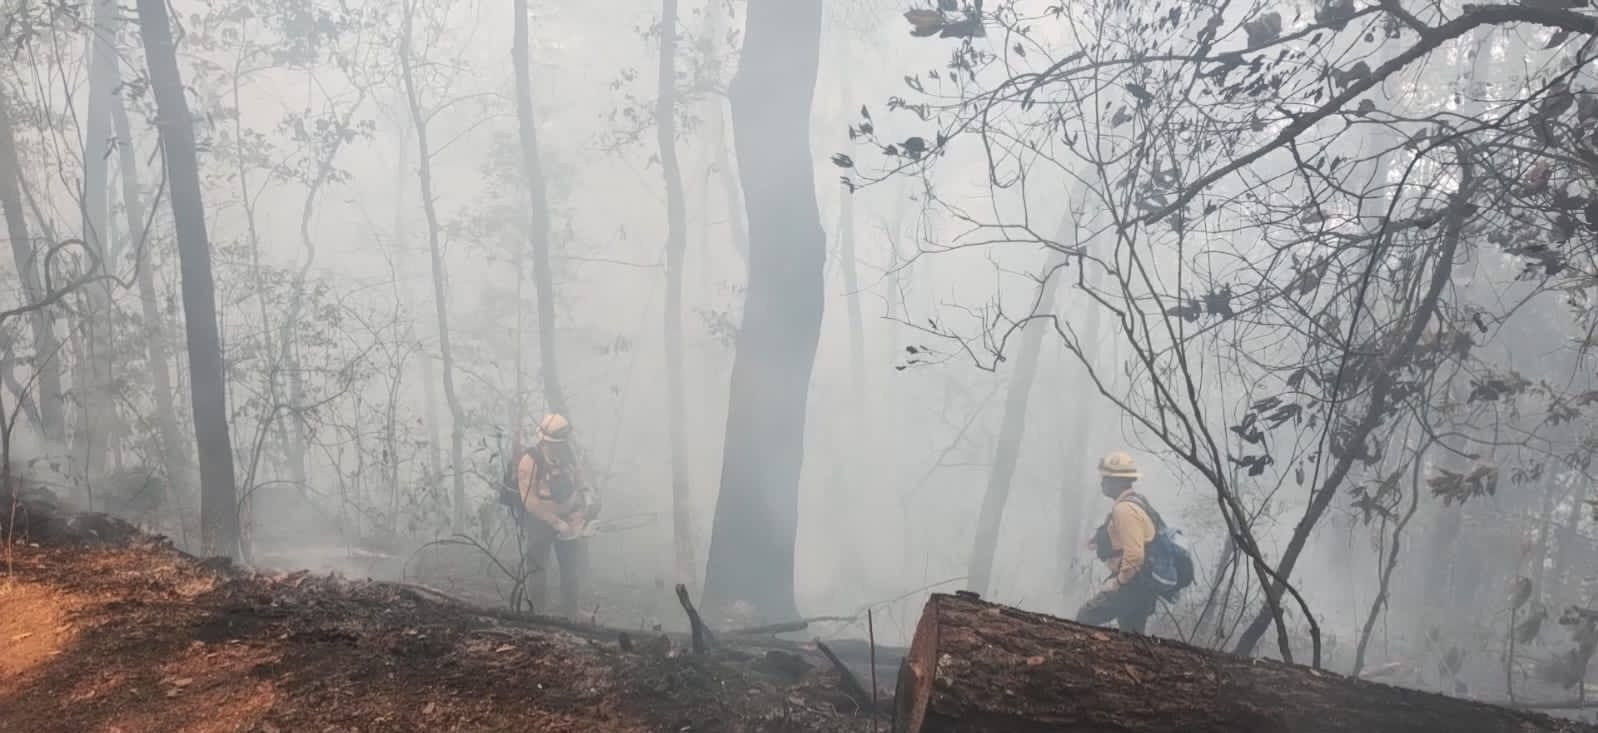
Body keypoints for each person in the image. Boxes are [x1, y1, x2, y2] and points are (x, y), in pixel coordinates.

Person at [516, 412, 600, 618]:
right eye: (552, 442)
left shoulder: (570, 456)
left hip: (569, 518)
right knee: (537, 568)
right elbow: (530, 501)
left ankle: (572, 611)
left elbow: (581, 484)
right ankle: (537, 612)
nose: (555, 446)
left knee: (571, 568)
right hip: (540, 521)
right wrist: (554, 522)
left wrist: (584, 509)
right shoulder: (530, 460)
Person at [1076, 450, 1161, 634]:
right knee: (1133, 636)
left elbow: (1135, 554)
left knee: (1086, 617)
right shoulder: (1136, 503)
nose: (1102, 482)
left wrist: (1119, 582)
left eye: (1106, 478)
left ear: (1118, 481)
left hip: (1132, 583)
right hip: (1143, 586)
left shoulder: (1125, 509)